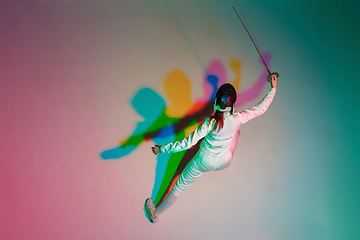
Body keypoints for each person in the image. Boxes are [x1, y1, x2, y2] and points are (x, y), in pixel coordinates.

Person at [144, 75, 278, 223]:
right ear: (232, 105)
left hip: (204, 162)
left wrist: (162, 149)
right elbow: (260, 108)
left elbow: (187, 144)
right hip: (225, 161)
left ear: (216, 102)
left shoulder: (209, 123)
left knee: (179, 186)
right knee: (237, 133)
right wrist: (273, 88)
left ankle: (155, 214)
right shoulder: (238, 118)